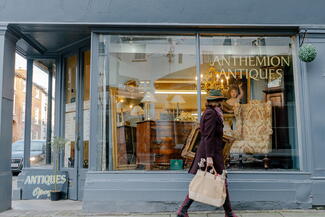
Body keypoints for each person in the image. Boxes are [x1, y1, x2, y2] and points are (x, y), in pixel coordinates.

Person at [176, 89, 238, 217]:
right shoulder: (211, 114)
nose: (222, 103)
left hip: (212, 152)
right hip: (210, 153)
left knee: (217, 180)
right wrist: (209, 157)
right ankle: (183, 209)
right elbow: (208, 137)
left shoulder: (214, 112)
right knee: (206, 180)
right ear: (216, 101)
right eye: (220, 100)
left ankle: (228, 212)